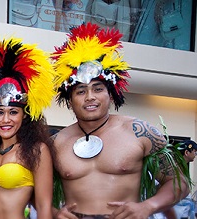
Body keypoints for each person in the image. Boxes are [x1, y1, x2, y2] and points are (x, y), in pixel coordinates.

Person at [51, 23, 189, 218]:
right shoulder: (56, 143)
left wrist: (148, 206)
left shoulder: (139, 131)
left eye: (98, 89)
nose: (90, 97)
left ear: (111, 94)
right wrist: (54, 212)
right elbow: (32, 190)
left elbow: (178, 181)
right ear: (70, 99)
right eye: (81, 91)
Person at [0, 37, 57, 219]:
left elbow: (44, 207)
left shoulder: (36, 151)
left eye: (13, 112)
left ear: (25, 115)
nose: (6, 119)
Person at [161, 139, 197, 219]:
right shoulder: (174, 167)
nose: (195, 155)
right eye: (195, 152)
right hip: (174, 208)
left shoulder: (181, 167)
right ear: (187, 152)